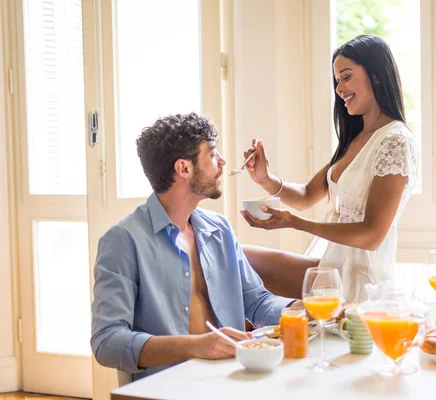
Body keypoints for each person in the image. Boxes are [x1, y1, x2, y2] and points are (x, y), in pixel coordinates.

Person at [90, 113, 300, 380]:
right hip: (167, 389)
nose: (223, 161)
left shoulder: (219, 230)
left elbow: (257, 302)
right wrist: (198, 345)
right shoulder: (123, 240)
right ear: (184, 168)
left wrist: (299, 309)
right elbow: (107, 342)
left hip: (233, 379)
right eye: (212, 154)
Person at [241, 35, 418, 303]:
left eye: (346, 77)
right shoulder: (355, 139)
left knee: (233, 260)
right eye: (337, 80)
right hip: (332, 271)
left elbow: (371, 235)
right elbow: (304, 196)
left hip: (361, 283)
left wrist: (295, 224)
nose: (339, 88)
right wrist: (265, 179)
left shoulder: (395, 141)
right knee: (233, 257)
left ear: (376, 75)